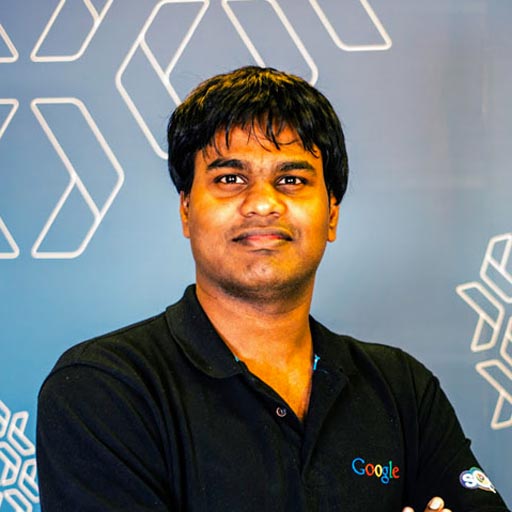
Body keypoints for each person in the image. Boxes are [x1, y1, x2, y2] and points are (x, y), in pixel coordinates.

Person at [36, 66, 509, 512]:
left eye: (291, 179)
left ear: (332, 214)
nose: (262, 203)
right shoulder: (104, 389)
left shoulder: (402, 388)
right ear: (186, 210)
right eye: (230, 178)